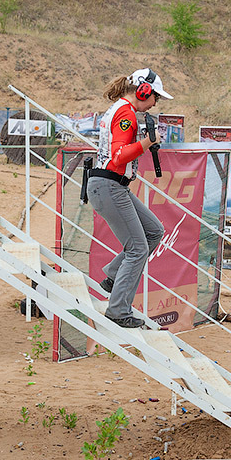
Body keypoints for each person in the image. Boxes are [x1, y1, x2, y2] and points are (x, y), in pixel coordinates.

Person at [85, 68, 173, 329]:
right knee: (138, 249)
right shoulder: (125, 113)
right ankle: (118, 310)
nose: (156, 103)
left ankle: (113, 276)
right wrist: (147, 142)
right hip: (109, 185)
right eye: (155, 96)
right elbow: (119, 156)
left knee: (154, 231)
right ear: (143, 91)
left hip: (112, 186)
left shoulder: (121, 110)